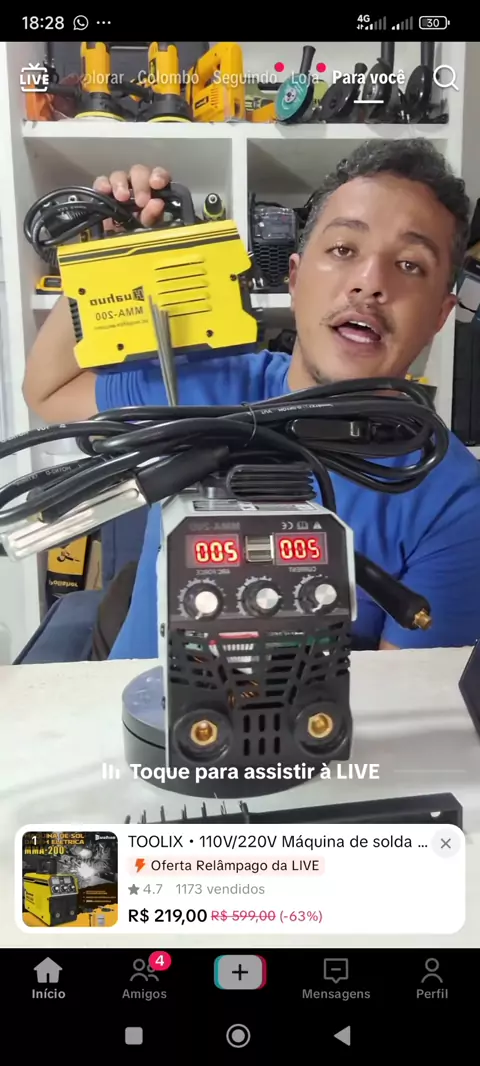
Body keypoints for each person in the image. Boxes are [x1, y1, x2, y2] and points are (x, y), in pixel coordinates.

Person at [22, 138, 480, 659]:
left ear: (441, 315)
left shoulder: (455, 501)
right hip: (130, 701)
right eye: (343, 250)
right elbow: (49, 391)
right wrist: (107, 263)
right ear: (294, 278)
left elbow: (404, 698)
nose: (370, 283)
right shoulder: (209, 390)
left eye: (411, 265)